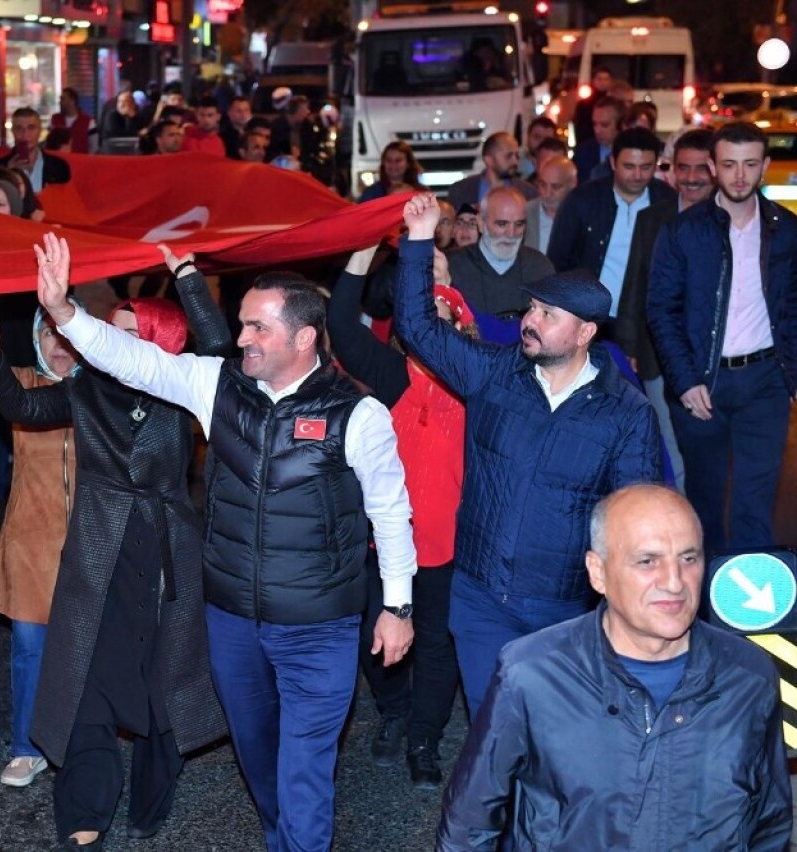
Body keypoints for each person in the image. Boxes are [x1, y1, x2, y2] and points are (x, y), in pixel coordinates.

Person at [38, 235, 417, 852]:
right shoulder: (217, 386)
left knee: (305, 769)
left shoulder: (359, 414)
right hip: (233, 620)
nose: (240, 339)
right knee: (258, 753)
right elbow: (134, 360)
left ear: (303, 338)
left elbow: (391, 514)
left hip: (319, 625)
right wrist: (64, 313)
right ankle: (281, 836)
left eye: (257, 328)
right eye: (241, 325)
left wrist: (397, 607)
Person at [0, 248, 231, 850]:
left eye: (130, 332)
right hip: (100, 551)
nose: (113, 340)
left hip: (165, 554)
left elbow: (216, 343)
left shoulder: (183, 386)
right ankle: (85, 808)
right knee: (86, 679)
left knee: (165, 678)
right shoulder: (89, 389)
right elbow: (25, 407)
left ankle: (152, 793)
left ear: (161, 341)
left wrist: (186, 273)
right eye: (114, 330)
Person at [393, 192, 660, 717]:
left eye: (547, 314)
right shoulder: (494, 374)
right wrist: (419, 241)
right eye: (532, 308)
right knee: (492, 728)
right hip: (479, 601)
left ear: (585, 333)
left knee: (553, 734)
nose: (529, 321)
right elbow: (418, 329)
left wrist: (626, 613)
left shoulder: (625, 414)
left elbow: (636, 520)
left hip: (564, 610)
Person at [437, 484, 792, 851]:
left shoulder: (749, 676)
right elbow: (469, 826)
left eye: (689, 558)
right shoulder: (531, 675)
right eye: (647, 561)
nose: (674, 582)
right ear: (598, 572)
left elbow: (769, 822)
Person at [330, 247, 468, 789]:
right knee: (373, 632)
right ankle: (393, 711)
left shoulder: (479, 381)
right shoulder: (391, 375)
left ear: (461, 327)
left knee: (437, 641)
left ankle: (424, 737)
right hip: (385, 543)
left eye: (445, 316)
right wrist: (360, 252)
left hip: (452, 545)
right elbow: (341, 323)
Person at [648, 121, 797, 552]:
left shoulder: (786, 230)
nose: (739, 175)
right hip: (701, 382)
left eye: (749, 164)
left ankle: (750, 609)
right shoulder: (683, 232)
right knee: (705, 503)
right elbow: (661, 309)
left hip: (765, 381)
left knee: (755, 504)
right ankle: (706, 607)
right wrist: (684, 379)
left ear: (764, 167)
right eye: (729, 164)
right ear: (713, 166)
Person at [0, 303, 81, 788]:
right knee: (28, 650)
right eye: (50, 339)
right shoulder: (18, 383)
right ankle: (26, 747)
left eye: (68, 339)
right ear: (37, 341)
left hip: (90, 544)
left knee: (91, 647)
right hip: (30, 541)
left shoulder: (103, 389)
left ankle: (82, 741)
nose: (59, 350)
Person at [615, 128, 714, 492]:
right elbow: (634, 286)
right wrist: (630, 347)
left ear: (715, 169)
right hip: (656, 357)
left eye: (700, 168)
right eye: (681, 168)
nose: (690, 177)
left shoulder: (729, 220)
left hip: (713, 363)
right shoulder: (652, 218)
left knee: (706, 455)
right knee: (669, 452)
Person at [547, 127, 674, 329]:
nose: (637, 175)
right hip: (590, 318)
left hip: (646, 322)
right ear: (613, 163)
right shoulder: (584, 200)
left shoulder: (667, 202)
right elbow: (558, 260)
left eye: (646, 167)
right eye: (629, 166)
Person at [446, 186, 554, 320]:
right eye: (502, 224)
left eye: (519, 224)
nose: (511, 233)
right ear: (481, 222)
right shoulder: (451, 267)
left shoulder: (540, 267)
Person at [446, 132, 537, 210]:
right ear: (489, 160)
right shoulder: (460, 191)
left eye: (517, 156)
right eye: (508, 156)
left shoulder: (528, 193)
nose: (515, 161)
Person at [0, 108, 71, 192]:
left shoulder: (59, 167)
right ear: (13, 131)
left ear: (40, 131)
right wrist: (7, 174)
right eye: (19, 128)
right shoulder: (0, 168)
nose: (25, 134)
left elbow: (66, 200)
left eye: (31, 128)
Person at [523, 155, 576, 254]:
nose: (547, 193)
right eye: (543, 185)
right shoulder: (524, 213)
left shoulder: (582, 216)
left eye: (555, 187)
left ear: (572, 185)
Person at [571, 95, 622, 180]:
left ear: (620, 125)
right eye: (595, 124)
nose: (597, 130)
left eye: (604, 125)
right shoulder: (582, 152)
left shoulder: (630, 152)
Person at [357, 141, 423, 202]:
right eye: (389, 160)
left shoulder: (421, 191)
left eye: (398, 160)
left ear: (408, 163)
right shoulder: (371, 193)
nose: (393, 164)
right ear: (383, 163)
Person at [51, 87, 97, 154]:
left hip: (81, 161)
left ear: (72, 101)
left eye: (62, 99)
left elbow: (94, 147)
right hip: (59, 161)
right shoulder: (54, 120)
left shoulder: (89, 122)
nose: (60, 102)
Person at [220, 95, 252, 160]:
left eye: (246, 110)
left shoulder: (255, 131)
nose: (243, 114)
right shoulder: (223, 136)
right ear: (229, 113)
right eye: (238, 111)